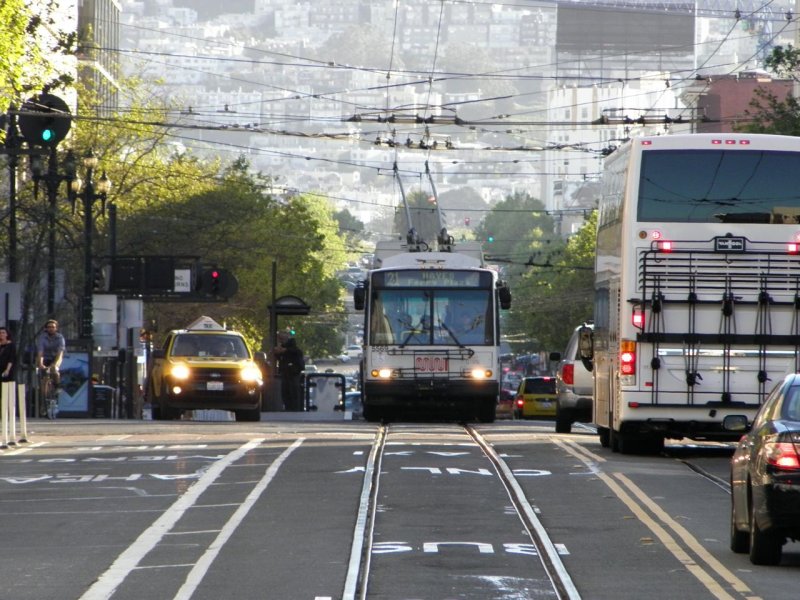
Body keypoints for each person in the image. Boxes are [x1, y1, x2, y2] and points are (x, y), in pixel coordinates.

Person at [274, 333, 305, 411]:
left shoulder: (293, 348)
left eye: (282, 339)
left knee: (293, 391)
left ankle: (294, 408)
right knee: (285, 391)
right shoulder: (283, 348)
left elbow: (297, 352)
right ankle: (289, 407)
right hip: (285, 372)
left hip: (294, 372)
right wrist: (277, 353)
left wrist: (285, 350)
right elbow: (279, 357)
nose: (280, 341)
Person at [36, 319, 65, 388]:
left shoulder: (60, 338)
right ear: (46, 328)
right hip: (45, 357)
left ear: (56, 328)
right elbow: (40, 351)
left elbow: (60, 352)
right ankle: (42, 387)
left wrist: (54, 364)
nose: (51, 329)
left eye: (53, 327)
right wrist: (40, 363)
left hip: (56, 357)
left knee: (54, 369)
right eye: (49, 327)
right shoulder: (42, 337)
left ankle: (58, 386)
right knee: (40, 369)